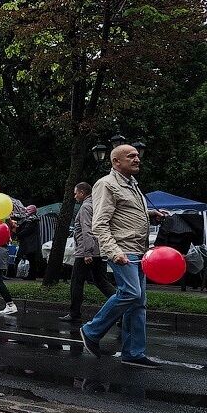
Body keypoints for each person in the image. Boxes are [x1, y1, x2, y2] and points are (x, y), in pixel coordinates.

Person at [80, 145, 167, 369]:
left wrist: (151, 215)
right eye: (131, 156)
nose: (137, 159)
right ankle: (91, 330)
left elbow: (126, 212)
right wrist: (113, 251)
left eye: (137, 155)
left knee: (138, 303)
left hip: (139, 251)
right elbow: (99, 224)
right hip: (122, 249)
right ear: (116, 162)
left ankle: (133, 353)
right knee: (130, 292)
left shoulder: (132, 184)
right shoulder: (106, 184)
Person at [63, 182, 115, 322]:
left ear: (82, 193)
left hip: (86, 252)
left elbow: (87, 230)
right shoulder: (97, 204)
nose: (75, 196)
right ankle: (122, 307)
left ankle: (74, 313)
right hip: (99, 250)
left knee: (76, 282)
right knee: (101, 281)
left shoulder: (86, 207)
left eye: (76, 193)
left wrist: (87, 252)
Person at [13, 205, 41, 279]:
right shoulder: (32, 219)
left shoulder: (32, 219)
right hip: (29, 242)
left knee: (30, 258)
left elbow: (27, 230)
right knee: (31, 259)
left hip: (29, 242)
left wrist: (18, 234)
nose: (26, 211)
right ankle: (31, 275)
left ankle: (30, 275)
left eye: (28, 210)